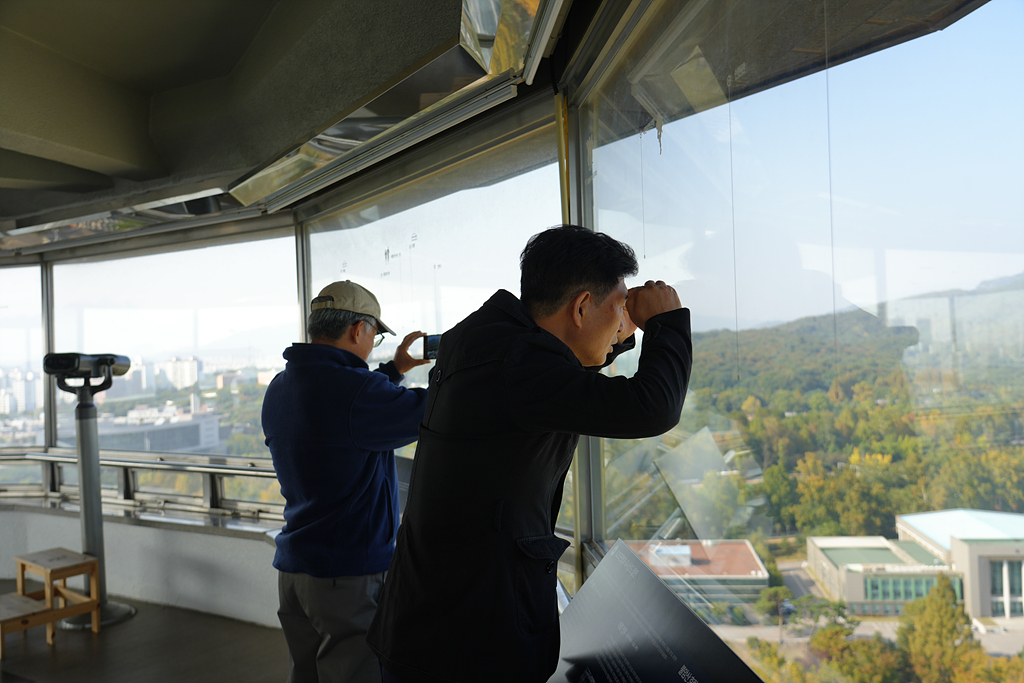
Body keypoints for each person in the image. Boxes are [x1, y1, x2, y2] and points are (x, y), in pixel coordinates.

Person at [367, 226, 692, 683]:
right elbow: (652, 408)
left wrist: (618, 329)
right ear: (581, 306)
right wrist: (667, 323)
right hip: (467, 645)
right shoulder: (521, 366)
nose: (623, 320)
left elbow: (568, 369)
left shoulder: (483, 338)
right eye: (618, 306)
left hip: (427, 622)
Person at [263, 280, 431, 683]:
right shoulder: (357, 393)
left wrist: (394, 370)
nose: (373, 344)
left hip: (295, 573)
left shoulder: (281, 387)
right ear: (358, 329)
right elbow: (436, 411)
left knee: (307, 676)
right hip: (346, 577)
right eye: (375, 334)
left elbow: (350, 410)